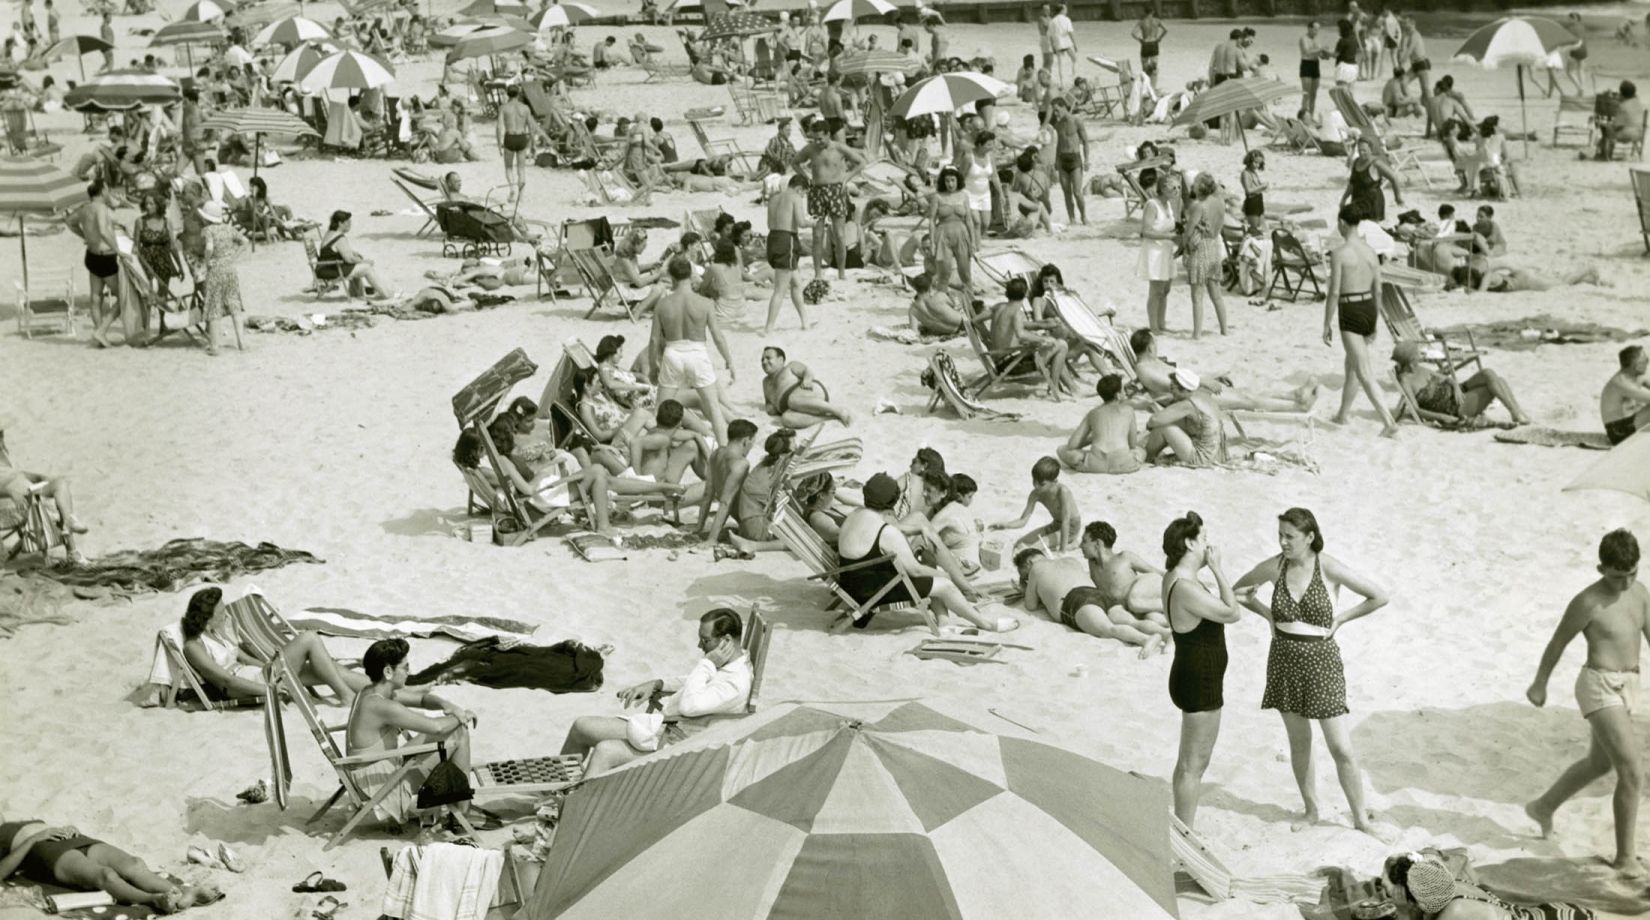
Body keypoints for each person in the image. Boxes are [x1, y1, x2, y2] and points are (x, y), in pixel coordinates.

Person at [1232, 508, 1388, 836]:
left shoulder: (1327, 566)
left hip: (1323, 662)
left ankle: (1360, 818)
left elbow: (1379, 596)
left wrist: (1342, 618)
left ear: (1310, 537)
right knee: (1299, 741)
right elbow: (1238, 591)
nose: (1282, 542)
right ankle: (1311, 810)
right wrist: (1267, 615)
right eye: (1280, 535)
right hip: (1284, 659)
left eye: (1289, 536)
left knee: (1340, 747)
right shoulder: (1275, 566)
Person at [1526, 530, 1650, 879]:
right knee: (1632, 772)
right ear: (1601, 568)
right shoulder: (1587, 602)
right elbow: (1557, 643)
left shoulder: (1640, 594)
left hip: (1629, 685)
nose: (1625, 583)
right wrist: (1540, 683)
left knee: (1599, 764)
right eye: (1616, 576)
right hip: (1597, 686)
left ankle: (1542, 806)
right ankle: (1626, 858)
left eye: (1632, 574)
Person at [560, 609, 752, 777]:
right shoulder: (731, 665)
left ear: (726, 640)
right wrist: (658, 684)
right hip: (668, 730)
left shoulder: (735, 682)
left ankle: (572, 812)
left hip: (680, 744)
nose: (699, 646)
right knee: (581, 727)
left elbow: (690, 705)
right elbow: (696, 682)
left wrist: (707, 663)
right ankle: (555, 791)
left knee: (605, 751)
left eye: (705, 640)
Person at [835, 473, 1015, 634]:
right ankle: (986, 624)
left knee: (928, 562)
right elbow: (915, 571)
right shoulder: (886, 532)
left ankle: (944, 622)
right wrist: (945, 575)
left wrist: (921, 528)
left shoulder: (857, 515)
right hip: (872, 591)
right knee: (944, 584)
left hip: (852, 583)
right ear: (892, 502)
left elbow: (895, 527)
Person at [1162, 511, 1242, 828]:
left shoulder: (1176, 578)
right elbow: (1232, 614)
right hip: (1200, 680)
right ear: (1190, 543)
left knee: (1190, 763)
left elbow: (1212, 609)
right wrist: (1219, 569)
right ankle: (1185, 835)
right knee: (1193, 766)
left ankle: (1184, 829)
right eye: (1204, 539)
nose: (1209, 545)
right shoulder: (1184, 585)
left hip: (1190, 674)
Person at [347, 638, 479, 826]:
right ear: (388, 671)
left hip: (374, 770)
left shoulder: (370, 692)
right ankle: (463, 813)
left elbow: (423, 699)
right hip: (378, 785)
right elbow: (436, 727)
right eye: (405, 667)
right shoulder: (381, 706)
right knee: (458, 732)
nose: (409, 672)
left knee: (454, 728)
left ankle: (461, 806)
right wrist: (462, 715)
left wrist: (446, 705)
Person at [179, 586, 370, 704]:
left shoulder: (217, 631)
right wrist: (268, 690)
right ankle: (347, 697)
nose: (226, 615)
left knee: (330, 669)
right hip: (246, 687)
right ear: (206, 618)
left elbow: (243, 658)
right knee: (309, 638)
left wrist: (272, 666)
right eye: (221, 612)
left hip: (260, 675)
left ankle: (389, 692)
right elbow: (226, 681)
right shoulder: (194, 647)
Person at [0, 820, 206, 914]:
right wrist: (34, 839)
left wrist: (68, 828)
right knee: (105, 875)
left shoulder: (14, 819)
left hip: (69, 839)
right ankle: (155, 900)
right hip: (41, 852)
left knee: (133, 864)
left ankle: (183, 891)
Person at [1326, 205, 1399, 437]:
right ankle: (1342, 415)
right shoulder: (1371, 251)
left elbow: (1334, 293)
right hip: (1368, 307)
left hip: (1350, 308)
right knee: (1352, 367)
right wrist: (1374, 321)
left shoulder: (1339, 253)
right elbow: (1378, 290)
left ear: (1343, 223)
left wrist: (1326, 323)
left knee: (1364, 370)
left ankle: (1389, 422)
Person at [1129, 328, 1319, 414]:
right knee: (1246, 401)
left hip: (1194, 391)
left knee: (1245, 393)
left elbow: (1180, 377)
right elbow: (1172, 385)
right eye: (1155, 344)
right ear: (1150, 348)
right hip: (1190, 399)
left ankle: (1294, 395)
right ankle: (1299, 407)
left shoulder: (1152, 363)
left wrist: (1210, 377)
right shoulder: (1144, 369)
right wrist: (1204, 382)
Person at [649, 256, 734, 445]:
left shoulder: (663, 304)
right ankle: (723, 452)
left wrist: (653, 366)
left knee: (659, 410)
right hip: (697, 352)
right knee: (714, 410)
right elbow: (718, 336)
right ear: (691, 274)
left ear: (672, 276)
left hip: (672, 353)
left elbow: (654, 340)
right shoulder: (705, 303)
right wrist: (728, 359)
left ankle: (656, 448)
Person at [1017, 548, 1168, 654]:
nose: (1027, 578)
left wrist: (1025, 586)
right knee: (1132, 622)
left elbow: (1030, 606)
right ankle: (1166, 634)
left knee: (1108, 629)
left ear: (1030, 562)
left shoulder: (1036, 568)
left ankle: (1145, 639)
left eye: (1025, 575)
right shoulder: (1069, 560)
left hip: (1076, 600)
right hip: (1098, 594)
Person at [1381, 851, 1599, 920]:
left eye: (1391, 892)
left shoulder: (1454, 912)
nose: (1386, 896)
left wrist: (1402, 912)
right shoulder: (1448, 885)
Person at [0, 412, 86, 559]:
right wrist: (10, 492)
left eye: (2, 435)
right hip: (12, 501)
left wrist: (38, 477)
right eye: (0, 435)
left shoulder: (3, 457)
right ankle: (73, 553)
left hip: (30, 492)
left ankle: (68, 523)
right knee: (51, 504)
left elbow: (19, 474)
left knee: (60, 483)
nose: (2, 438)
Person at [1391, 341, 1531, 428]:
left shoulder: (1419, 368)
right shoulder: (1406, 381)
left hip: (1458, 392)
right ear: (1409, 360)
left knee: (1488, 373)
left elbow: (1445, 378)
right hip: (1453, 407)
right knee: (1497, 383)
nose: (1420, 358)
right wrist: (1442, 417)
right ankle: (1517, 413)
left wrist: (1456, 387)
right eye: (1417, 357)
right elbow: (1416, 410)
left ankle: (1516, 412)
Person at [793, 119, 867, 282]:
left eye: (820, 138)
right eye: (814, 138)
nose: (817, 142)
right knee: (817, 235)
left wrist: (847, 178)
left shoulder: (839, 148)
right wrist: (806, 177)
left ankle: (841, 272)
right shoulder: (810, 149)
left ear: (828, 135)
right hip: (816, 191)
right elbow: (795, 162)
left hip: (836, 190)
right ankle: (818, 273)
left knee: (840, 235)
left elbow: (861, 162)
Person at [1081, 521, 1168, 624]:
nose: (1080, 545)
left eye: (1084, 541)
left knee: (1134, 601)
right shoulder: (1092, 565)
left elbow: (1155, 571)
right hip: (1136, 606)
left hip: (1142, 587)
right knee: (1153, 619)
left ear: (1098, 544)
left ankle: (1175, 605)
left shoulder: (1124, 557)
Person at [990, 456, 1081, 552]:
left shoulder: (1063, 492)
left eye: (1041, 484)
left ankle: (1071, 545)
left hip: (1070, 528)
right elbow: (1023, 521)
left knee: (1037, 546)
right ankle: (1058, 545)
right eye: (1034, 481)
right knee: (1020, 544)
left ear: (1054, 481)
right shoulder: (1035, 494)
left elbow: (1066, 522)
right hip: (1055, 525)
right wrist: (1005, 525)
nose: (1036, 486)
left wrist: (1062, 551)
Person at [1059, 374, 1145, 474]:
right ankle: (1126, 466)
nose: (1124, 392)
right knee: (1141, 451)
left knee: (1061, 450)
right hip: (1122, 462)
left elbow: (1072, 445)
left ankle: (1087, 466)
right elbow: (1133, 444)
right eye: (1122, 390)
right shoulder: (1129, 410)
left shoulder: (1093, 413)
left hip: (1096, 464)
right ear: (1117, 395)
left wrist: (1092, 438)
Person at [70, 180, 120, 348]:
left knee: (95, 297)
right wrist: (119, 251)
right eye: (107, 188)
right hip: (106, 255)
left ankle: (100, 334)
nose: (109, 192)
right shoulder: (101, 208)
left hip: (91, 255)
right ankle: (102, 330)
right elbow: (104, 231)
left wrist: (85, 236)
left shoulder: (85, 208)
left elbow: (69, 222)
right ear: (103, 191)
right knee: (123, 297)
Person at [1144, 369, 1228, 467]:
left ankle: (1147, 457)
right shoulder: (1202, 396)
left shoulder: (1188, 404)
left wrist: (1149, 426)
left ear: (1183, 389)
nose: (1170, 391)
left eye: (1172, 388)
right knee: (1177, 422)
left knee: (1164, 427)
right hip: (1219, 455)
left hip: (1203, 458)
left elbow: (1154, 420)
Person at [196, 201, 247, 356]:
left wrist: (206, 260)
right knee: (234, 304)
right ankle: (241, 343)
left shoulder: (208, 230)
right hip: (230, 269)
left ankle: (215, 346)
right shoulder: (228, 228)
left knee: (214, 305)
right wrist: (233, 257)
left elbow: (209, 248)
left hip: (216, 270)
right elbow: (244, 242)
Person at [761, 346, 853, 429]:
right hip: (794, 408)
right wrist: (769, 407)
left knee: (792, 400)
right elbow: (769, 403)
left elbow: (807, 371)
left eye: (768, 358)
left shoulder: (789, 367)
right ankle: (828, 418)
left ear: (780, 360)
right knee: (786, 419)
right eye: (762, 360)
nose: (764, 362)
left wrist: (807, 379)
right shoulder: (765, 383)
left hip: (808, 393)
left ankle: (837, 410)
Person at [1182, 173, 1228, 339]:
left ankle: (1197, 333)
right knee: (1216, 293)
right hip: (1214, 245)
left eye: (1194, 183)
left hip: (1200, 248)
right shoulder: (1220, 202)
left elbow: (1189, 231)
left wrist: (1184, 246)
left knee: (1197, 295)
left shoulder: (1199, 205)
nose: (1192, 186)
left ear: (1201, 187)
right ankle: (1224, 329)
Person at [698, 418, 759, 542]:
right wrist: (712, 539)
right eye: (752, 443)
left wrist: (699, 526)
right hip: (749, 522)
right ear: (746, 441)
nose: (751, 448)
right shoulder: (741, 464)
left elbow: (707, 494)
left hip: (742, 519)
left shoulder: (715, 454)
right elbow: (725, 503)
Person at [765, 173, 811, 334]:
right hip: (787, 240)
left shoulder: (773, 198)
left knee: (797, 284)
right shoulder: (794, 197)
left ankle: (805, 322)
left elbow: (770, 223)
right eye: (804, 193)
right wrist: (814, 223)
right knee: (780, 289)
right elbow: (801, 222)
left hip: (772, 238)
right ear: (799, 189)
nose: (803, 196)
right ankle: (769, 327)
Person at [317, 210, 397, 301]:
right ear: (340, 223)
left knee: (358, 265)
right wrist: (365, 261)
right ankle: (386, 294)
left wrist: (353, 253)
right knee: (366, 268)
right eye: (348, 222)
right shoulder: (339, 238)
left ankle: (357, 294)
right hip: (331, 269)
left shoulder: (331, 233)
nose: (350, 224)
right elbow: (349, 259)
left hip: (325, 267)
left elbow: (337, 250)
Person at [926, 166, 977, 295]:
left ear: (957, 180)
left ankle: (971, 303)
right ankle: (941, 304)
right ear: (943, 181)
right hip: (943, 235)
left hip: (962, 234)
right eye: (947, 181)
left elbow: (969, 220)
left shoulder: (964, 196)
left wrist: (973, 241)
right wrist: (932, 243)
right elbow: (931, 220)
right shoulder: (937, 197)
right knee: (944, 274)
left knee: (966, 273)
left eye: (952, 180)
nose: (950, 184)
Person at [1138, 171, 1178, 334]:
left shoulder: (1168, 204)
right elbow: (1145, 231)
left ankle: (1161, 324)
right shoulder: (1152, 205)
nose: (1177, 190)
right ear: (1163, 188)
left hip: (1166, 250)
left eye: (1178, 187)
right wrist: (1168, 236)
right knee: (1156, 290)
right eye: (1173, 187)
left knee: (1166, 289)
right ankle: (1153, 326)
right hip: (1154, 251)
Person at [496, 84, 549, 204]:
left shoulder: (503, 108)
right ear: (519, 93)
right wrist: (533, 145)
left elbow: (499, 127)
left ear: (507, 94)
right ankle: (521, 197)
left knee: (508, 167)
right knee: (521, 169)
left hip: (509, 137)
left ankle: (512, 189)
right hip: (521, 137)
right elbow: (531, 128)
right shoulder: (525, 108)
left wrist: (499, 143)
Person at [1049, 97, 1088, 225]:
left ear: (1063, 106)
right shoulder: (1058, 125)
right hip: (1062, 159)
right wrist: (1056, 161)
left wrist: (1087, 159)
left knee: (1077, 192)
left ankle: (1083, 216)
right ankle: (1072, 219)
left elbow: (1086, 142)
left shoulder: (1077, 121)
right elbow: (1059, 144)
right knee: (1066, 193)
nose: (1055, 113)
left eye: (1056, 110)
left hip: (1075, 158)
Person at [1602, 345, 1650, 445]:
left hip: (1631, 421)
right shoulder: (1622, 383)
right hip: (1618, 431)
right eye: (1645, 360)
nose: (1648, 362)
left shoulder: (1636, 375)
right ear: (1636, 366)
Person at [134, 194, 182, 295]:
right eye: (146, 203)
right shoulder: (140, 221)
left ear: (159, 205)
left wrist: (180, 266)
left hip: (163, 261)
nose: (148, 206)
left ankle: (161, 311)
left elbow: (172, 247)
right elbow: (136, 246)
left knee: (163, 293)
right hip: (146, 261)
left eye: (151, 204)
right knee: (148, 294)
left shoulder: (167, 222)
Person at [1398, 17, 1434, 136]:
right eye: (1404, 24)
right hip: (1415, 65)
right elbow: (1402, 47)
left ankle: (1432, 112)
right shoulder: (1407, 34)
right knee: (1403, 82)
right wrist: (1403, 34)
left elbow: (1409, 50)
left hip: (1422, 63)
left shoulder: (1415, 35)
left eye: (1406, 23)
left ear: (1413, 24)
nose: (1404, 25)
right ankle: (1414, 103)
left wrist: (1401, 62)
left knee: (1426, 90)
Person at [1598, 81, 1645, 162]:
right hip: (1639, 133)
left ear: (1622, 94)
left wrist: (1603, 124)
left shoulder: (1623, 106)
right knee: (1609, 128)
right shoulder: (1638, 103)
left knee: (1606, 129)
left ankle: (1606, 155)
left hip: (1627, 134)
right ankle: (1604, 152)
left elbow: (1616, 125)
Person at [1133, 10, 1166, 88]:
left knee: (1144, 67)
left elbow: (1133, 33)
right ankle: (1153, 86)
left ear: (1144, 12)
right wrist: (1159, 38)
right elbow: (1165, 30)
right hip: (1154, 43)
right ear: (1153, 12)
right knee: (1154, 67)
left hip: (1145, 44)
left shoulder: (1142, 22)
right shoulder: (1157, 21)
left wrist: (1140, 39)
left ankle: (1145, 85)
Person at [1048, 3, 1076, 86]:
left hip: (1058, 44)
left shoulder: (1052, 21)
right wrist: (1074, 44)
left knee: (1061, 65)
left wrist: (1053, 47)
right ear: (1062, 10)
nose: (1066, 11)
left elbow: (1050, 36)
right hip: (1067, 43)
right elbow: (1070, 33)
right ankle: (1073, 80)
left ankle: (1062, 84)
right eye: (1065, 9)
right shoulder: (1067, 19)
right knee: (1075, 60)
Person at [1239, 149, 1267, 234]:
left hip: (1258, 200)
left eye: (1259, 163)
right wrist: (1261, 186)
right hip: (1252, 201)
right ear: (1249, 161)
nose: (1257, 165)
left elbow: (1255, 187)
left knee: (1262, 228)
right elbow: (1248, 190)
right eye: (1255, 162)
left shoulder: (1253, 172)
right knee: (1254, 229)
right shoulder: (1245, 173)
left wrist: (1262, 187)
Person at [1332, 18, 1359, 89]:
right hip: (1353, 67)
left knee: (1341, 92)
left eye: (1339, 29)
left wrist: (1324, 52)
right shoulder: (1354, 38)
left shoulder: (1342, 41)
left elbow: (1335, 55)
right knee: (1350, 93)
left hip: (1343, 67)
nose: (1338, 30)